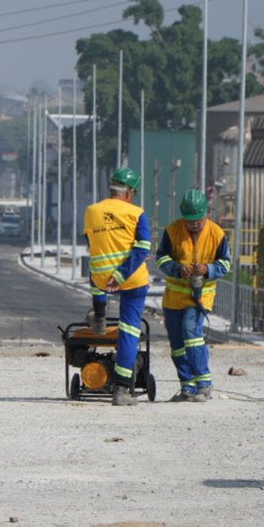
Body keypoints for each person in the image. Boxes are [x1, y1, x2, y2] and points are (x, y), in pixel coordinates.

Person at [82, 167, 153, 406]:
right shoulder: (137, 213)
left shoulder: (91, 211)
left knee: (94, 277)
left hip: (101, 277)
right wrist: (121, 274)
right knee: (130, 330)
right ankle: (122, 389)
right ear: (130, 192)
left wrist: (110, 270)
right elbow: (143, 247)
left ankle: (100, 315)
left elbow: (93, 243)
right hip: (131, 279)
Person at [155, 189, 231, 403]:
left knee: (191, 333)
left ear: (206, 213)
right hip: (174, 297)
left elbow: (225, 263)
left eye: (198, 219)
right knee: (177, 343)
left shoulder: (217, 234)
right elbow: (161, 258)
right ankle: (187, 386)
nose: (194, 224)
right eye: (190, 220)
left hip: (200, 296)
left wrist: (208, 269)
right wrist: (177, 269)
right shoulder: (172, 231)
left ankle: (204, 384)